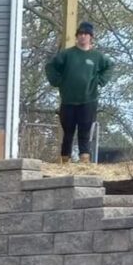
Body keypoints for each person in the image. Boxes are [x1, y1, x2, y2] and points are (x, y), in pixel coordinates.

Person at [45, 21, 113, 164]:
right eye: (80, 34)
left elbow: (110, 66)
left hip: (89, 99)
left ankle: (84, 159)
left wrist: (100, 81)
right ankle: (65, 160)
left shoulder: (97, 56)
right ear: (77, 36)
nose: (83, 37)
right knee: (68, 132)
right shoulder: (67, 54)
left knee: (85, 131)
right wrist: (57, 81)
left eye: (86, 34)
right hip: (68, 100)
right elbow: (50, 66)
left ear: (91, 37)